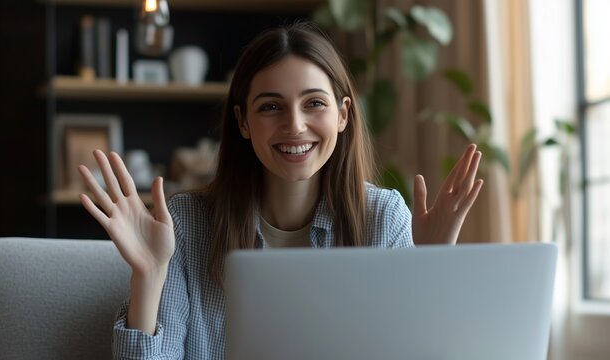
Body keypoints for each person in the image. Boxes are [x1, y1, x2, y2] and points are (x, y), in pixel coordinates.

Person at [78, 21, 483, 359]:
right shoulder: (187, 224)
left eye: (314, 104)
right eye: (271, 107)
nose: (294, 126)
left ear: (343, 115)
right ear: (243, 122)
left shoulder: (383, 218)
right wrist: (148, 275)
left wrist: (433, 270)